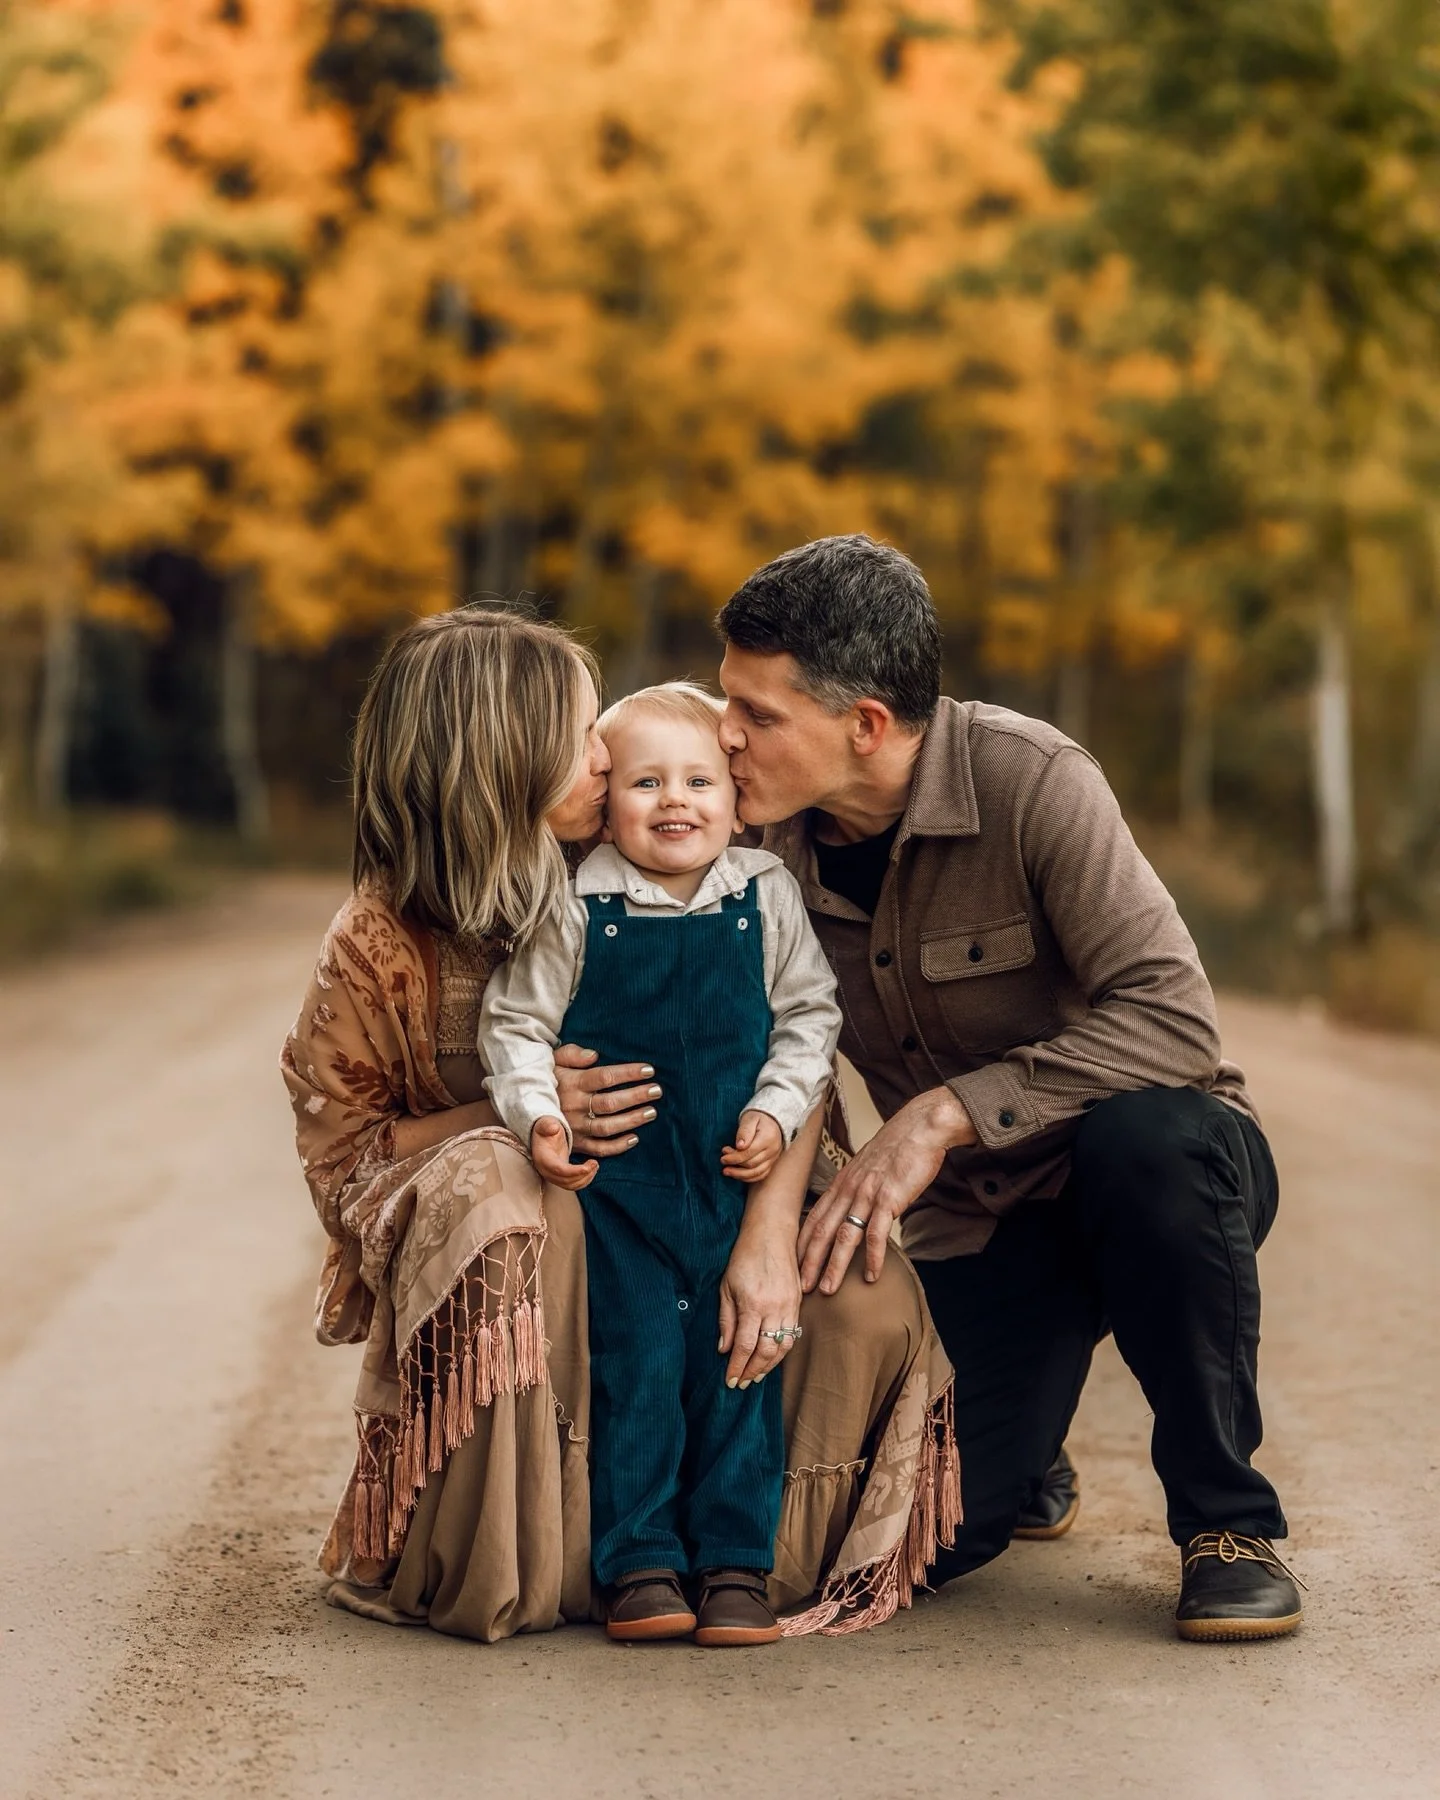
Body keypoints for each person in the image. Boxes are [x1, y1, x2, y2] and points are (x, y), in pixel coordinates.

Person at [281, 606, 957, 1645]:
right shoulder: (384, 939)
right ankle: (560, 1550)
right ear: (502, 757)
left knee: (855, 1298)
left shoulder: (690, 858)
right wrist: (519, 1106)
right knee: (512, 1201)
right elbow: (345, 1165)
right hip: (580, 1211)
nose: (614, 759)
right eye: (585, 737)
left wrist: (770, 1233)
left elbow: (792, 1034)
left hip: (719, 1178)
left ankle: (751, 1556)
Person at [711, 534, 1304, 1643]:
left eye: (757, 713)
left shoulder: (1034, 782)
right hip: (985, 1222)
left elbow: (1174, 1020)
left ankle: (1229, 1525)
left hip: (1161, 1168)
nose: (725, 735)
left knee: (1149, 1147)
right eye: (723, 702)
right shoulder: (753, 848)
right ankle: (1031, 1446)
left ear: (868, 726)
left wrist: (945, 1112)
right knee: (923, 1541)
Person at [480, 683, 843, 1645]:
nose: (674, 800)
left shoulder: (765, 895)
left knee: (740, 1364)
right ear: (609, 800)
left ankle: (735, 1567)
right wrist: (539, 1115)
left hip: (729, 1181)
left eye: (699, 780)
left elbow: (812, 1017)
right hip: (621, 1195)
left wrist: (776, 1106)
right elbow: (514, 1024)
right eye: (645, 781)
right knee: (636, 1362)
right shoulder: (574, 904)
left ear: (735, 794)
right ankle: (639, 1564)